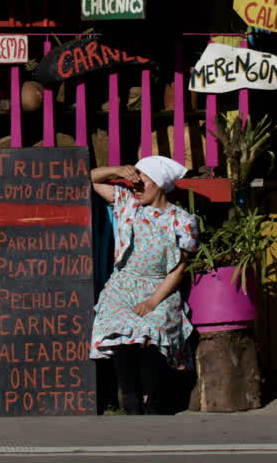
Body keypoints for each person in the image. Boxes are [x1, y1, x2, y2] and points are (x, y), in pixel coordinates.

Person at [89, 155, 198, 415]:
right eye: (134, 184)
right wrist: (118, 170)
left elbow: (178, 269)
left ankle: (152, 398)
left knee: (153, 327)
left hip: (160, 288)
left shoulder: (181, 220)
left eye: (143, 183)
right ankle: (130, 398)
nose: (136, 189)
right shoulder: (127, 203)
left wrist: (152, 301)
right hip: (124, 284)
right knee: (119, 327)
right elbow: (88, 179)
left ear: (159, 185)